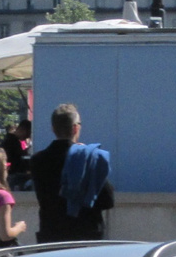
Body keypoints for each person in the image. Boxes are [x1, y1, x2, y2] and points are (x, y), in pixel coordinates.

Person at [29, 103, 114, 242]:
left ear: (53, 128)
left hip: (51, 234)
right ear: (75, 128)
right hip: (86, 235)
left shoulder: (37, 160)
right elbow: (107, 200)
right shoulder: (88, 158)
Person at [0, 119, 32, 190]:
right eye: (28, 133)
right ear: (22, 130)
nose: (27, 136)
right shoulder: (12, 142)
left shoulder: (9, 140)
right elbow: (17, 159)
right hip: (13, 173)